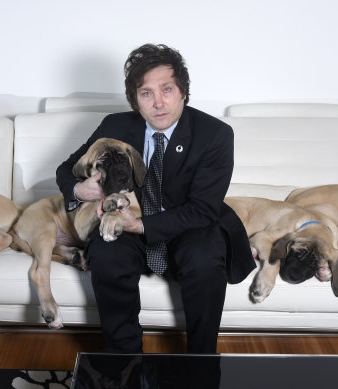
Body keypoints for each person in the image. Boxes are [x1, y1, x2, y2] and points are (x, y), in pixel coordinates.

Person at [56, 43, 255, 354]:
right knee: (107, 254)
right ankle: (122, 361)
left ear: (183, 92)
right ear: (136, 99)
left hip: (188, 224)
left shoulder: (214, 135)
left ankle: (201, 361)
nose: (158, 103)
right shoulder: (116, 126)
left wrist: (141, 226)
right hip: (126, 217)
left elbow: (202, 209)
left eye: (167, 89)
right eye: (146, 93)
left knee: (204, 257)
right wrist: (78, 190)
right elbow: (67, 169)